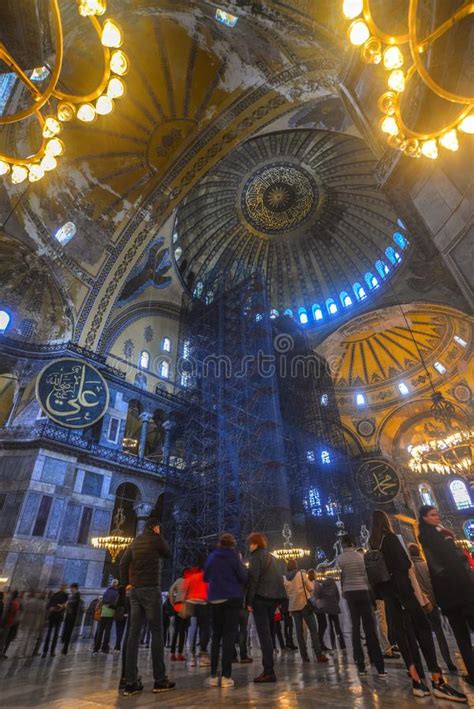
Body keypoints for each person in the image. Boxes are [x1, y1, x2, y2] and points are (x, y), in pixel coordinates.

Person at [370, 510, 466, 702]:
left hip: (390, 598)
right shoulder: (391, 538)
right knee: (423, 629)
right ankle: (437, 681)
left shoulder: (372, 544)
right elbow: (404, 564)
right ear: (386, 522)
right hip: (404, 593)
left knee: (403, 637)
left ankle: (416, 682)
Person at [418, 505, 474, 687]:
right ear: (424, 517)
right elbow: (449, 560)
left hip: (449, 596)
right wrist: (450, 541)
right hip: (459, 592)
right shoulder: (435, 537)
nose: (437, 517)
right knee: (462, 635)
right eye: (432, 515)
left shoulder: (430, 535)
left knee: (461, 636)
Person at [120, 517, 175, 696]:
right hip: (151, 590)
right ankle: (159, 680)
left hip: (135, 591)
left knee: (133, 635)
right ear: (156, 527)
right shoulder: (155, 538)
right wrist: (159, 536)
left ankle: (130, 683)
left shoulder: (135, 541)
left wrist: (125, 583)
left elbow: (122, 563)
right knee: (157, 633)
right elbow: (168, 553)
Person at [336, 534, 385, 677]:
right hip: (363, 591)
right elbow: (365, 575)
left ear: (343, 544)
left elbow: (342, 576)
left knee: (355, 629)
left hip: (350, 594)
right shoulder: (360, 556)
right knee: (370, 628)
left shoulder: (340, 559)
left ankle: (361, 665)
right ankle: (379, 665)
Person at [203, 532, 248, 687]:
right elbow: (243, 576)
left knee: (216, 636)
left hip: (215, 599)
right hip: (232, 599)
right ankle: (227, 677)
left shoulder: (212, 556)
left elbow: (206, 576)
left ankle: (214, 675)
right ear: (233, 544)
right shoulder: (234, 556)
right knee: (229, 636)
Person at [408, 543, 457, 673]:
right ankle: (449, 661)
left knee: (423, 634)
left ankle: (431, 664)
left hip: (420, 604)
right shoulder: (427, 566)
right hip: (433, 602)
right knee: (439, 632)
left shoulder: (410, 569)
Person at [247, 532, 287, 683]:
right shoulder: (272, 557)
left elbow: (253, 581)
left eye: (250, 543)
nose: (249, 546)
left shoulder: (256, 557)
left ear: (255, 543)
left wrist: (249, 602)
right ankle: (269, 668)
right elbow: (278, 579)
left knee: (264, 636)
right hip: (273, 600)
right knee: (269, 634)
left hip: (260, 600)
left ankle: (269, 671)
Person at [284, 559, 328, 664]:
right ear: (296, 565)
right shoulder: (301, 574)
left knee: (299, 633)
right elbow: (311, 587)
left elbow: (286, 594)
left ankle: (304, 656)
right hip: (304, 605)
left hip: (293, 607)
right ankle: (318, 655)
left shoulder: (285, 578)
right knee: (313, 630)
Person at [182, 558, 211, 667]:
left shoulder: (189, 577)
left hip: (190, 604)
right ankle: (203, 655)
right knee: (204, 629)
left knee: (191, 629)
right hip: (203, 604)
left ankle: (191, 657)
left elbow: (184, 591)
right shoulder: (206, 577)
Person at [313, 574, 346, 651]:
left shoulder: (323, 584)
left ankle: (332, 645)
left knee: (330, 627)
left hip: (327, 608)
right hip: (334, 607)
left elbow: (321, 596)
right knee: (337, 627)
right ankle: (342, 645)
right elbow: (337, 595)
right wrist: (336, 603)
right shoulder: (333, 584)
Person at [93, 579, 119, 655]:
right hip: (110, 614)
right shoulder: (117, 593)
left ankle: (96, 649)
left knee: (100, 632)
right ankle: (104, 649)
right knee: (107, 632)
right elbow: (115, 604)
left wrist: (106, 604)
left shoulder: (106, 591)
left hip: (103, 613)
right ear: (116, 585)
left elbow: (103, 601)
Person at [169, 570, 190, 661]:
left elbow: (170, 591)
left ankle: (172, 653)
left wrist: (173, 603)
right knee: (182, 632)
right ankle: (180, 654)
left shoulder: (178, 581)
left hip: (177, 605)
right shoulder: (189, 582)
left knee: (176, 631)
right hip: (185, 606)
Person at [42, 584, 68, 657]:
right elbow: (63, 605)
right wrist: (59, 608)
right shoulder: (64, 595)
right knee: (54, 634)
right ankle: (51, 651)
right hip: (58, 615)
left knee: (50, 633)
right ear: (64, 588)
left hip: (53, 614)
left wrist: (52, 608)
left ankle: (45, 651)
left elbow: (49, 605)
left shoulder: (55, 594)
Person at [0, 590, 21, 658]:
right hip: (10, 622)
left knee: (4, 637)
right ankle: (2, 652)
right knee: (5, 638)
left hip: (6, 622)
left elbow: (5, 613)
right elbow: (15, 613)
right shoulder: (16, 603)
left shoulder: (8, 603)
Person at [62, 583, 81, 655]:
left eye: (71, 588)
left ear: (74, 588)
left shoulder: (77, 594)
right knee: (66, 631)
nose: (70, 589)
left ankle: (65, 649)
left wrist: (67, 603)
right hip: (69, 615)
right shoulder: (72, 595)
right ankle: (65, 647)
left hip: (72, 616)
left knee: (68, 632)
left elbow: (74, 603)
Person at [114, 584, 127, 653]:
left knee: (118, 630)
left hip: (118, 615)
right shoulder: (126, 597)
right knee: (121, 631)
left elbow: (115, 605)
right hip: (124, 615)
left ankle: (117, 645)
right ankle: (118, 645)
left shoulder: (118, 597)